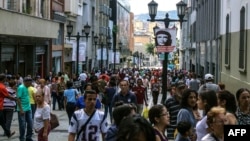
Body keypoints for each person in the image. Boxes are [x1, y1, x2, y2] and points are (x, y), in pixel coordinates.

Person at [17, 77, 34, 141]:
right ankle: (22, 138)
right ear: (26, 82)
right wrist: (21, 109)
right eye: (30, 82)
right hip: (22, 109)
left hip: (28, 108)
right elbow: (18, 99)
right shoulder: (21, 88)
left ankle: (28, 137)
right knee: (22, 125)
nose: (31, 84)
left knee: (30, 123)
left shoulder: (27, 87)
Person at [0, 74, 17, 138]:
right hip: (0, 106)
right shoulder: (2, 87)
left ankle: (8, 133)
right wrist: (15, 99)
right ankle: (8, 133)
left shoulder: (3, 87)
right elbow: (8, 96)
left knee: (2, 121)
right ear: (3, 79)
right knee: (2, 121)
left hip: (2, 106)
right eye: (5, 78)